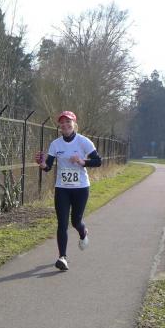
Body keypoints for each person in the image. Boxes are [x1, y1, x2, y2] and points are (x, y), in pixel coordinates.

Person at [35, 110, 102, 271]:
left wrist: (82, 161)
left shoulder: (83, 141)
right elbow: (48, 167)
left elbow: (98, 161)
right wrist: (42, 164)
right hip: (62, 188)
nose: (65, 125)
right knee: (62, 223)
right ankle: (62, 257)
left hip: (81, 188)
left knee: (76, 221)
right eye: (62, 122)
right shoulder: (56, 144)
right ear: (59, 125)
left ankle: (83, 232)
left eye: (68, 122)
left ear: (74, 124)